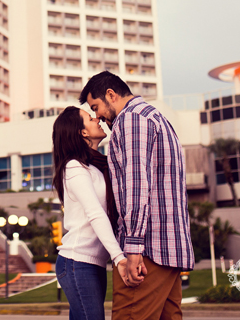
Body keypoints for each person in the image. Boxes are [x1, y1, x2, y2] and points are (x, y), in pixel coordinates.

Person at [81, 71, 194, 320]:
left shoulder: (130, 120)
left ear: (111, 94)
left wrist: (132, 249)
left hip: (147, 252)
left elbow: (136, 187)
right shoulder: (157, 118)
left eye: (96, 107)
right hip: (169, 249)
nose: (97, 116)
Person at [52, 105, 129, 320]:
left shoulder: (96, 166)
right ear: (82, 132)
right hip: (78, 262)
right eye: (89, 117)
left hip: (92, 263)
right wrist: (119, 258)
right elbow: (96, 213)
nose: (97, 118)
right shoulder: (75, 168)